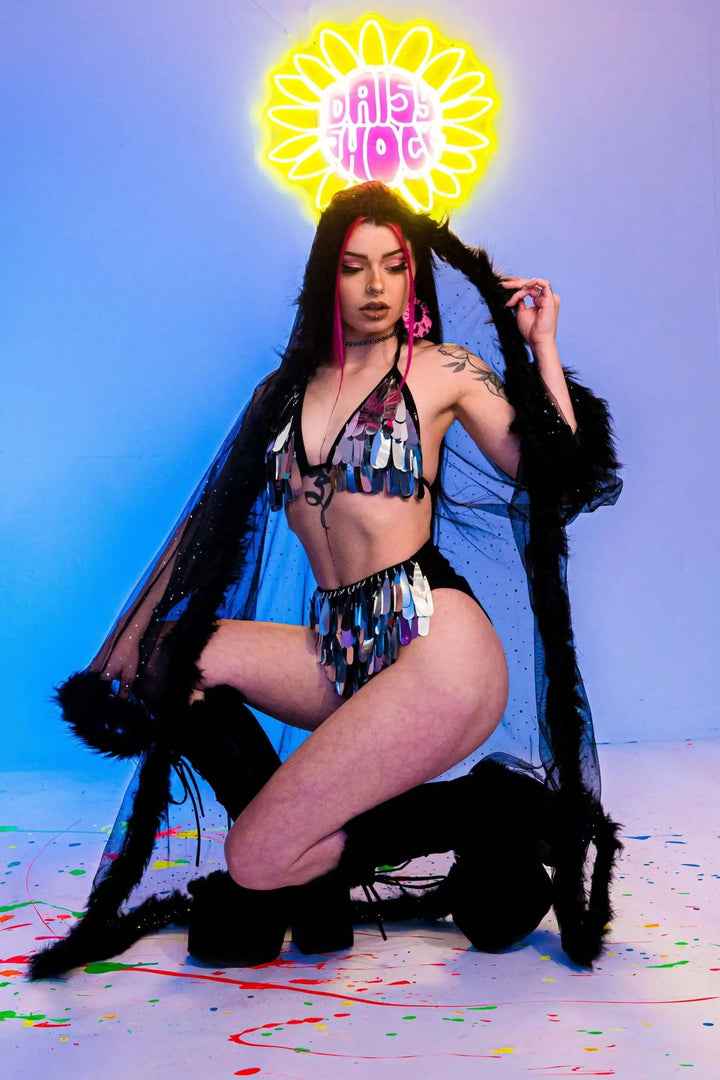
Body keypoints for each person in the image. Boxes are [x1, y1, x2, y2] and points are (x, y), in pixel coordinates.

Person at [30, 183, 622, 980]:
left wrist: (541, 347)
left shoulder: (442, 371)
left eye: (394, 267)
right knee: (177, 655)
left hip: (436, 645)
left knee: (257, 853)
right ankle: (316, 880)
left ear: (415, 280)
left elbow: (552, 474)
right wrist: (119, 659)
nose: (376, 288)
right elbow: (203, 534)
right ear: (325, 277)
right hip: (343, 647)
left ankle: (486, 813)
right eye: (354, 267)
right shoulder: (279, 396)